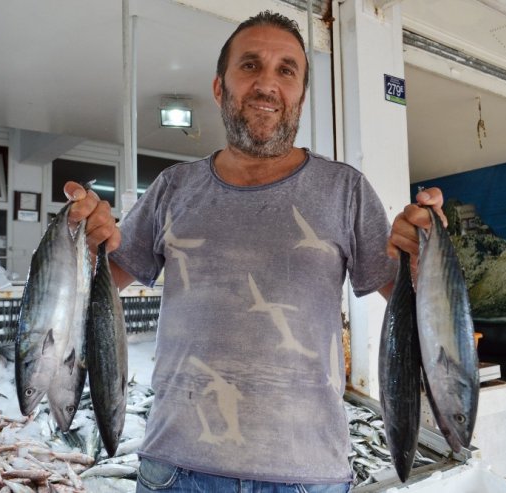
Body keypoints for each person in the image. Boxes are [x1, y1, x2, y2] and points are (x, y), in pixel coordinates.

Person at [66, 10, 444, 493]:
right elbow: (99, 284)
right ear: (220, 87)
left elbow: (411, 302)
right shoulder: (172, 188)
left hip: (309, 473)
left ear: (300, 96)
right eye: (250, 66)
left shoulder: (345, 189)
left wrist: (429, 254)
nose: (267, 84)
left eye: (286, 70)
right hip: (176, 470)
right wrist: (81, 238)